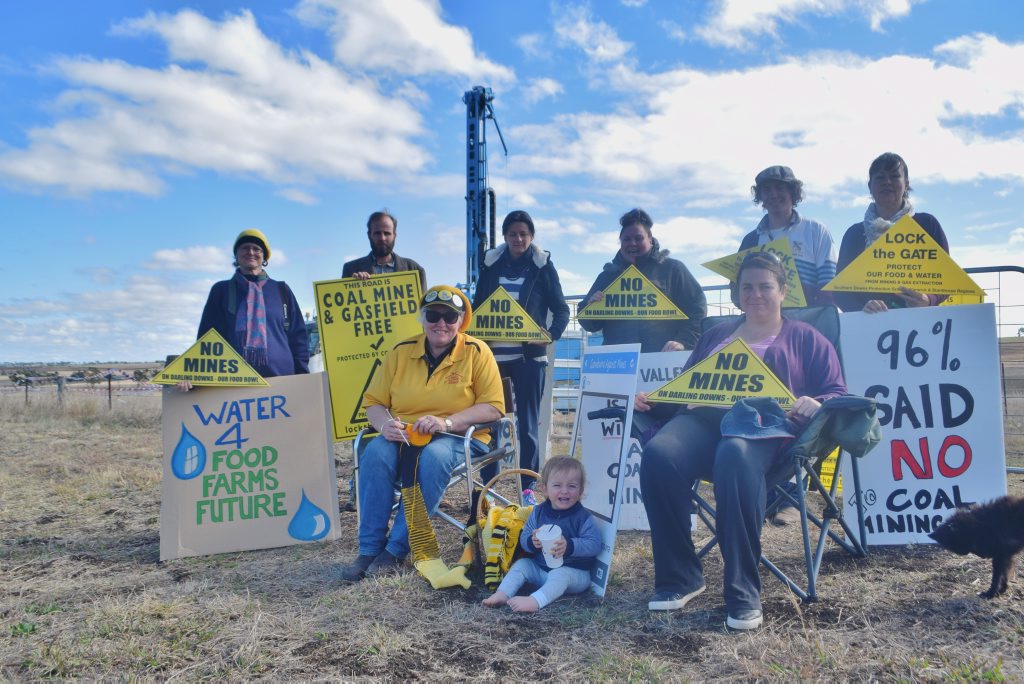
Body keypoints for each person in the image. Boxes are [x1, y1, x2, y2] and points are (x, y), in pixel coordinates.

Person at [639, 252, 847, 630]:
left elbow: (837, 391)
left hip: (763, 427)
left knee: (734, 455)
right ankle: (680, 577)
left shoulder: (806, 337)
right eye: (746, 287)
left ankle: (742, 589)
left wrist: (817, 402)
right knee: (659, 454)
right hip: (701, 421)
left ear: (783, 291)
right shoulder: (715, 336)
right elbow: (683, 386)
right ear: (737, 293)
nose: (755, 294)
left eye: (765, 286)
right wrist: (653, 400)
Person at [341, 285, 504, 582]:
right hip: (404, 433)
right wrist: (384, 425)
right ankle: (369, 548)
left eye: (449, 316)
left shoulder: (477, 352)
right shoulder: (400, 352)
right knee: (375, 452)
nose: (441, 323)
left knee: (432, 457)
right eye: (433, 314)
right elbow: (375, 403)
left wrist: (447, 422)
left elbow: (493, 408)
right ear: (422, 317)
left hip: (457, 436)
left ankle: (395, 549)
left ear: (461, 320)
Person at [472, 210, 570, 497]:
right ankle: (487, 487)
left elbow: (562, 309)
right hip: (493, 358)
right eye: (513, 233)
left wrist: (550, 335)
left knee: (528, 425)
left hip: (530, 358)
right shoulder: (490, 265)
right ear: (505, 236)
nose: (518, 238)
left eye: (524, 234)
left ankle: (528, 486)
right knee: (490, 423)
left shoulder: (542, 266)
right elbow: (478, 306)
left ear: (532, 236)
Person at [180, 229, 308, 390]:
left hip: (282, 381)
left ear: (265, 256)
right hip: (235, 385)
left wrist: (303, 377)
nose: (251, 252)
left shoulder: (281, 290)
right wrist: (195, 375)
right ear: (236, 255)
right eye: (245, 248)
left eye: (257, 249)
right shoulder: (221, 290)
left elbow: (298, 337)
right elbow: (207, 338)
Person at [482, 456, 601, 612]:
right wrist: (533, 542)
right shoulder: (538, 512)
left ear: (581, 490)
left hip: (574, 573)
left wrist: (570, 546)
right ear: (544, 488)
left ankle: (535, 601)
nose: (564, 491)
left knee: (560, 574)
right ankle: (503, 593)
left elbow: (594, 544)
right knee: (523, 564)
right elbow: (524, 538)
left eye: (572, 486)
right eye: (557, 485)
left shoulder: (583, 517)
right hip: (541, 570)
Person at [835, 152, 949, 313]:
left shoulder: (928, 225)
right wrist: (860, 308)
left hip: (920, 323)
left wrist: (929, 299)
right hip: (870, 325)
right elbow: (839, 292)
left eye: (894, 177)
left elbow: (948, 281)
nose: (887, 182)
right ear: (870, 186)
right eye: (880, 177)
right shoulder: (854, 234)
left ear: (906, 183)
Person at [580, 208, 706, 352]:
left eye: (638, 238)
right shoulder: (607, 276)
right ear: (620, 243)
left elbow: (697, 308)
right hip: (619, 363)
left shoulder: (673, 269)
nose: (632, 243)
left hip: (662, 361)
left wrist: (683, 341)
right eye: (626, 239)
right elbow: (589, 324)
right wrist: (591, 308)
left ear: (650, 240)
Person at [739, 165, 837, 307]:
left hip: (810, 320)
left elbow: (829, 284)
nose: (773, 195)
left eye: (780, 188)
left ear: (793, 192)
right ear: (760, 197)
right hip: (764, 323)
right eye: (767, 190)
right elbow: (738, 289)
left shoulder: (815, 230)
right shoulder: (751, 240)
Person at [343, 210, 427, 291]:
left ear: (394, 235)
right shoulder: (350, 269)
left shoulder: (415, 269)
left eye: (387, 233)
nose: (382, 238)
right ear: (369, 235)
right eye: (377, 233)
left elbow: (423, 305)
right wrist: (353, 285)